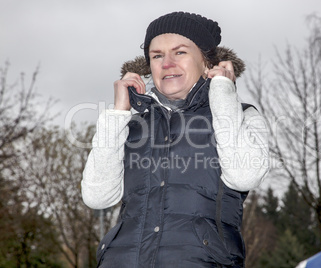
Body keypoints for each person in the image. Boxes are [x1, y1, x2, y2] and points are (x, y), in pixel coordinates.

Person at [81, 11, 269, 268]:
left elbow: (245, 175)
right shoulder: (130, 125)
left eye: (180, 52)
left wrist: (223, 91)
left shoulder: (242, 115)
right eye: (157, 56)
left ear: (206, 63)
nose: (166, 63)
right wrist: (118, 113)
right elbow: (97, 196)